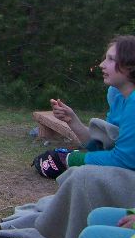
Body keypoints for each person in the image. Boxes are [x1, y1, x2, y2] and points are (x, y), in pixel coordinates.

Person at [34, 35, 135, 179]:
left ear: (130, 66)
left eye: (111, 59)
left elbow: (123, 160)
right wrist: (72, 120)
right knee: (81, 175)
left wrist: (70, 159)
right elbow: (104, 146)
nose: (102, 65)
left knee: (81, 177)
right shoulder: (117, 95)